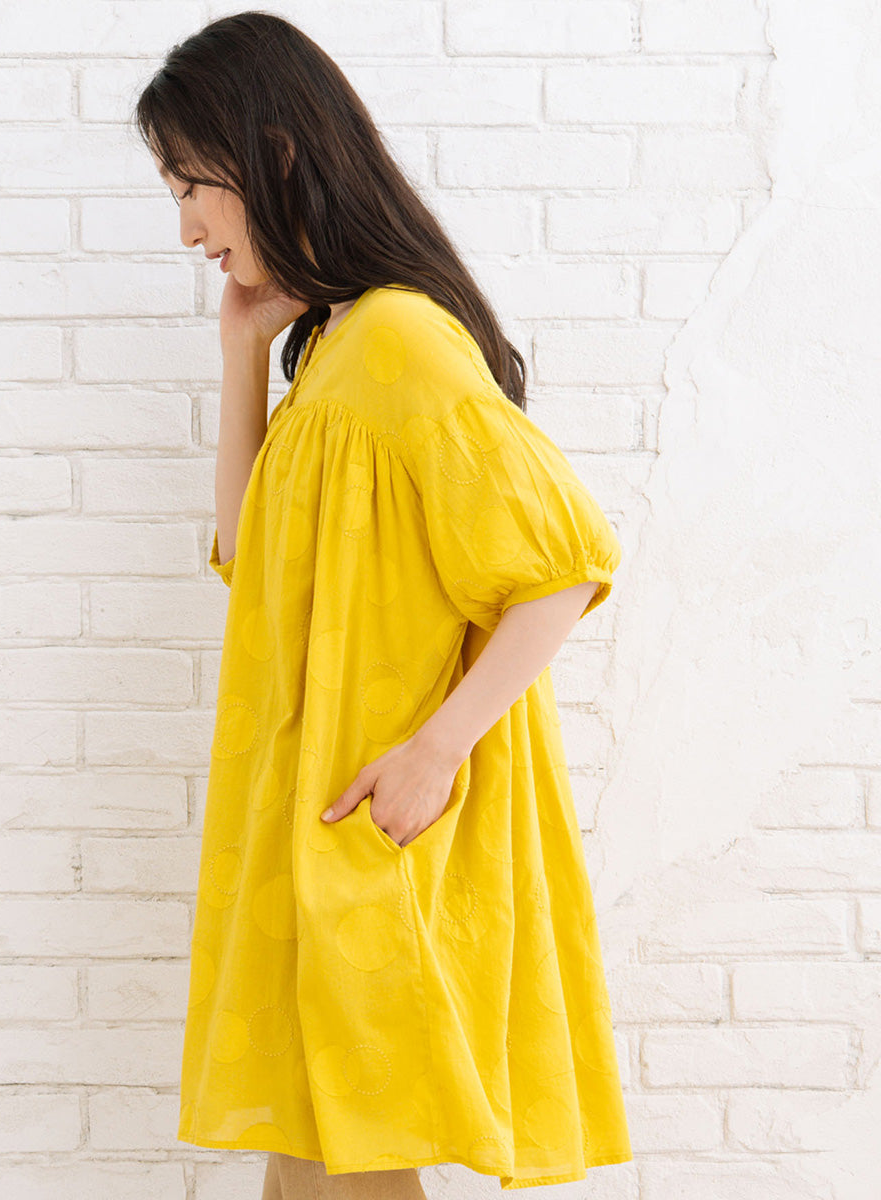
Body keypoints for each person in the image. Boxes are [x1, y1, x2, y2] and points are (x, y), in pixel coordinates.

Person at [134, 11, 633, 1196]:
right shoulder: (335, 348)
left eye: (192, 184)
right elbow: (252, 561)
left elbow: (565, 564)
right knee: (311, 1157)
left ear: (274, 153)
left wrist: (433, 753)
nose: (187, 226)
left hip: (378, 818)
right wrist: (244, 355)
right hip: (318, 820)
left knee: (344, 1156)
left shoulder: (403, 339)